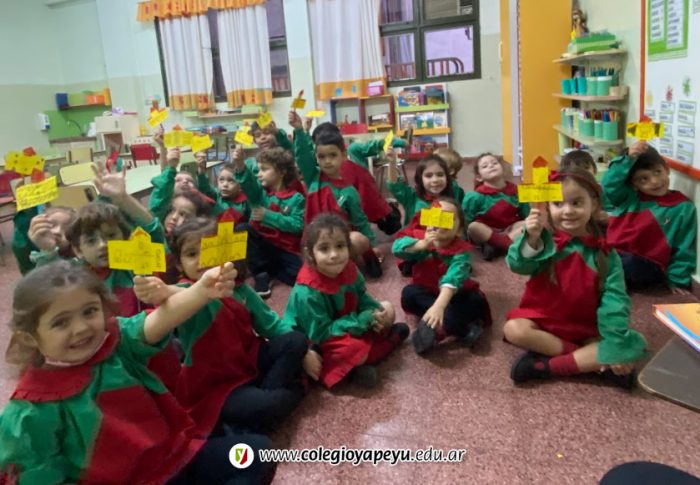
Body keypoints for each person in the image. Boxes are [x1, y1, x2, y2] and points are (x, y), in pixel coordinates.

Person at [0, 260, 274, 484]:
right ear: (29, 338)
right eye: (60, 323)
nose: (82, 328)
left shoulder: (113, 341)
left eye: (90, 311)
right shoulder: (30, 411)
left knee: (260, 453)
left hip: (173, 457)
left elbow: (159, 320)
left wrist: (202, 290)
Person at [138, 217, 309, 436]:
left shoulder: (241, 290)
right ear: (179, 264)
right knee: (273, 403)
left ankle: (262, 400)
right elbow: (179, 296)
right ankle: (277, 397)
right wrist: (163, 291)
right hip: (217, 385)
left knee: (297, 340)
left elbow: (272, 325)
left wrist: (306, 352)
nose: (202, 260)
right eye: (192, 254)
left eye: (210, 249)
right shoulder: (182, 295)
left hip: (249, 360)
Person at [504, 167, 647, 388]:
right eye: (558, 204)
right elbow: (518, 265)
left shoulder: (606, 254)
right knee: (513, 329)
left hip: (586, 328)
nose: (568, 211)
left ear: (594, 204)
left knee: (633, 344)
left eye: (577, 203)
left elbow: (615, 301)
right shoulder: (544, 242)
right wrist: (531, 238)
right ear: (548, 207)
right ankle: (592, 363)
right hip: (543, 321)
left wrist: (615, 340)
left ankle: (547, 366)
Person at [283, 213, 409, 388]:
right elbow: (321, 333)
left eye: (340, 246)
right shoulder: (307, 292)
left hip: (347, 322)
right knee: (354, 351)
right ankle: (389, 344)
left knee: (387, 309)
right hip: (319, 338)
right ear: (310, 254)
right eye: (324, 249)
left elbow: (361, 296)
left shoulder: (349, 268)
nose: (334, 255)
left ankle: (357, 366)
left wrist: (373, 313)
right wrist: (361, 321)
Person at [392, 198, 490, 355]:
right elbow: (397, 248)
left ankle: (440, 330)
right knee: (409, 293)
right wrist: (419, 245)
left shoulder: (461, 252)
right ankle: (462, 330)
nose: (438, 223)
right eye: (434, 217)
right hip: (428, 294)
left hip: (456, 295)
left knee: (473, 301)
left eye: (446, 219)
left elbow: (453, 278)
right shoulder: (422, 242)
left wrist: (440, 306)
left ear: (459, 230)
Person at [290, 112, 383, 277]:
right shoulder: (313, 177)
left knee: (359, 239)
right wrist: (299, 130)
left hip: (338, 240)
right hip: (316, 240)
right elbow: (303, 156)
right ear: (316, 158)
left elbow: (360, 221)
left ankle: (346, 264)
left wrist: (372, 246)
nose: (327, 161)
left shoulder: (349, 192)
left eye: (332, 155)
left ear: (344, 156)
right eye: (322, 156)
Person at [602, 141, 697, 294]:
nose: (654, 182)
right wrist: (627, 159)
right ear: (633, 184)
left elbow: (684, 248)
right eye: (643, 179)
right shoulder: (629, 197)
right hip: (614, 254)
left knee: (622, 265)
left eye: (657, 172)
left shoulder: (683, 207)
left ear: (666, 169)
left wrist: (677, 280)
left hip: (647, 264)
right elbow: (609, 186)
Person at [232, 146, 305, 298]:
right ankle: (261, 274)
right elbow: (249, 184)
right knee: (243, 229)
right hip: (263, 247)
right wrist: (240, 164)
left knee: (301, 278)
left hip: (285, 250)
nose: (259, 174)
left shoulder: (296, 198)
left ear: (281, 172)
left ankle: (272, 270)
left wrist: (267, 216)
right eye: (258, 170)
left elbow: (298, 225)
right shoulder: (260, 194)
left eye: (264, 169)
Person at [463, 153, 528, 260]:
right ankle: (509, 247)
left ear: (502, 169)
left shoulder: (517, 191)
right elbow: (466, 220)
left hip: (510, 230)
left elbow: (525, 215)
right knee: (473, 227)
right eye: (485, 166)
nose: (491, 166)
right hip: (487, 232)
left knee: (527, 224)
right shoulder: (474, 196)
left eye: (495, 163)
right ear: (479, 177)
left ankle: (498, 247)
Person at [386, 153, 455, 227]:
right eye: (428, 176)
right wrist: (392, 162)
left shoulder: (453, 195)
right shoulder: (411, 197)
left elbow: (457, 224)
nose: (435, 180)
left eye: (440, 175)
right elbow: (393, 185)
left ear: (447, 178)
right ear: (420, 179)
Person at [12, 206, 75, 274]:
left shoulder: (77, 259)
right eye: (51, 225)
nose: (58, 231)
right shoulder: (31, 251)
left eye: (66, 228)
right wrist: (48, 251)